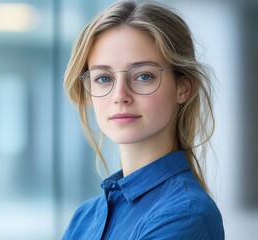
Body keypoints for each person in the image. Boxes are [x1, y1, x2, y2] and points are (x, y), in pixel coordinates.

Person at [62, 1, 225, 239]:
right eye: (103, 78)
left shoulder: (185, 216)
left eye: (143, 76)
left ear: (183, 87)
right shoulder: (84, 218)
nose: (120, 96)